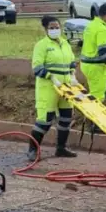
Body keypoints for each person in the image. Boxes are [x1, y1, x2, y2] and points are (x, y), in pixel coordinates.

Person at [28, 15, 78, 161]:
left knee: (66, 118)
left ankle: (61, 148)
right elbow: (37, 67)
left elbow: (71, 62)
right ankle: (32, 150)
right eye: (52, 28)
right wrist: (52, 78)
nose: (55, 30)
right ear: (45, 29)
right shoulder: (42, 45)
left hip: (66, 87)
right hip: (48, 88)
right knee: (44, 121)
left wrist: (72, 75)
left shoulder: (65, 43)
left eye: (57, 27)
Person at [80, 3, 106, 103]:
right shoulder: (101, 30)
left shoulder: (91, 25)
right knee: (98, 95)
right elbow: (103, 52)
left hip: (91, 65)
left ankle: (103, 103)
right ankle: (95, 110)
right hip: (96, 67)